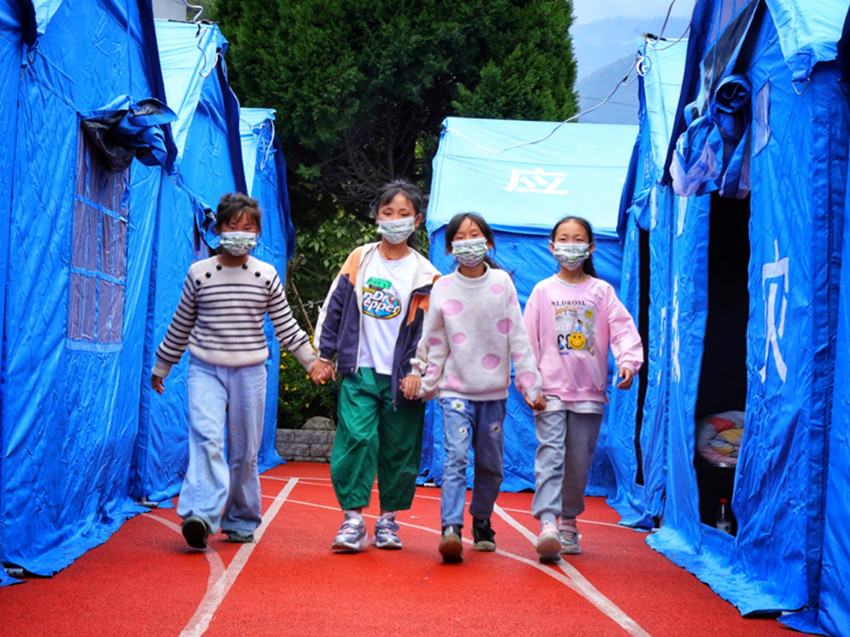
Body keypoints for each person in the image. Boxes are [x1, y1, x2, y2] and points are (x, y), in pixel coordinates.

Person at [151, 193, 318, 550]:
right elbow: (180, 323)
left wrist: (311, 361)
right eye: (233, 226)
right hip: (205, 370)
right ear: (219, 229)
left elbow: (286, 326)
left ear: (257, 233)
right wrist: (162, 365)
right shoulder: (199, 273)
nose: (240, 233)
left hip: (250, 372)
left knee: (244, 451)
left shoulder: (265, 274)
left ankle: (241, 518)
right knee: (206, 439)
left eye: (248, 227)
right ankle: (200, 515)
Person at [406, 212, 544, 563]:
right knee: (455, 457)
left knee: (490, 464)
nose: (468, 242)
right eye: (460, 237)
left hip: (493, 394)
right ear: (450, 248)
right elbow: (433, 339)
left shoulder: (502, 283)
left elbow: (518, 337)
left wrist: (530, 385)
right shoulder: (443, 287)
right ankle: (450, 528)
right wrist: (426, 380)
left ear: (488, 242)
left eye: (475, 235)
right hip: (454, 391)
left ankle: (482, 520)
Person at [311, 179, 440, 552]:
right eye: (388, 213)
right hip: (360, 370)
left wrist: (418, 372)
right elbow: (335, 306)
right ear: (376, 217)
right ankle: (352, 520)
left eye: (403, 214)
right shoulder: (360, 258)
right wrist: (324, 355)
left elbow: (432, 333)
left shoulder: (427, 275)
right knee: (357, 439)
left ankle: (388, 521)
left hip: (403, 379)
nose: (395, 220)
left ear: (417, 221)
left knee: (400, 449)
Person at [523, 215, 643, 562]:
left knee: (577, 462)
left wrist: (628, 362)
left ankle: (568, 523)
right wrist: (529, 382)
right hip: (550, 391)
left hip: (589, 393)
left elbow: (623, 330)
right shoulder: (543, 291)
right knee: (550, 456)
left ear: (590, 248)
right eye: (563, 239)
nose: (570, 246)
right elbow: (526, 340)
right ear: (552, 247)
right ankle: (548, 523)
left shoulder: (601, 292)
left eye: (578, 239)